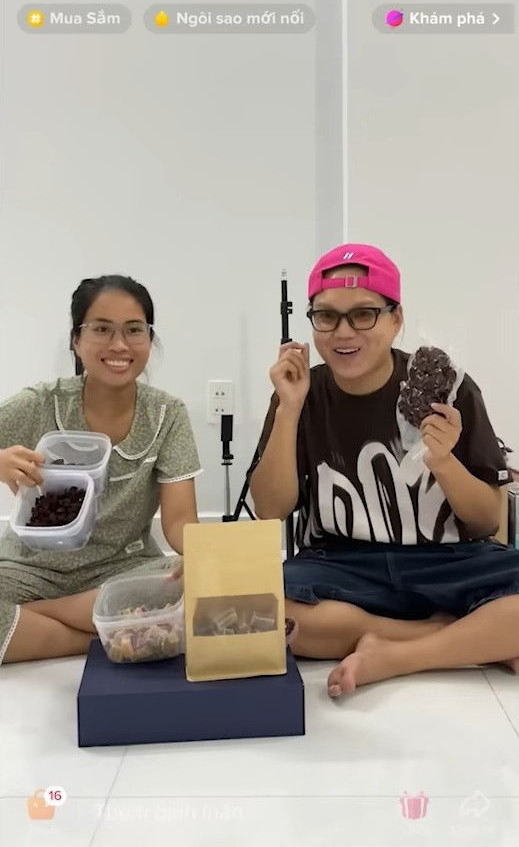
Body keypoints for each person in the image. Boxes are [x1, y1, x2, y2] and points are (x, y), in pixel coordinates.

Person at [249, 244, 519, 697]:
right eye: (326, 316)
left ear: (396, 319)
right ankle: (450, 636)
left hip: (450, 561)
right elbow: (270, 509)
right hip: (341, 564)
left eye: (364, 314)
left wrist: (444, 461)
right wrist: (289, 410)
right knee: (264, 612)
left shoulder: (448, 389)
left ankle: (394, 654)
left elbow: (487, 520)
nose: (343, 332)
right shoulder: (300, 392)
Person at [0, 275, 201, 665]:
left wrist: (204, 560)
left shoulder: (167, 414)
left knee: (196, 586)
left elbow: (179, 522)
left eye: (134, 330)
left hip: (122, 570)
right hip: (28, 572)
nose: (119, 345)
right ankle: (105, 635)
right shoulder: (41, 402)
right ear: (76, 340)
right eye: (102, 329)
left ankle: (40, 620)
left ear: (149, 338)